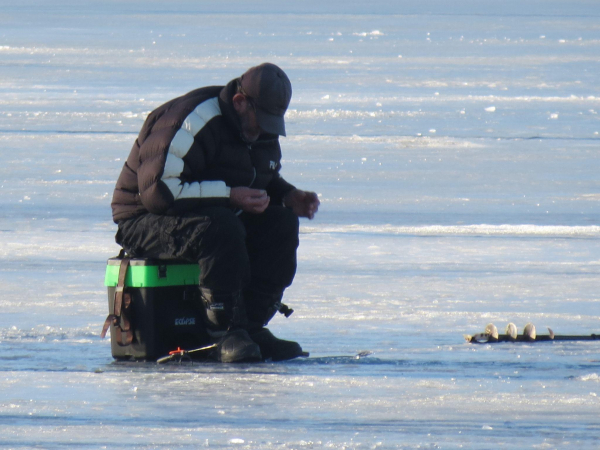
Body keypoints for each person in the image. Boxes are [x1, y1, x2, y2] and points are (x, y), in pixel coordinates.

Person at [111, 63, 319, 363]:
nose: (263, 131)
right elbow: (159, 192)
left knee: (281, 225)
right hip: (142, 219)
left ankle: (250, 327)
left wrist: (287, 195)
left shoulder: (260, 129)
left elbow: (256, 175)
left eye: (271, 124)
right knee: (219, 227)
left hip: (207, 213)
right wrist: (230, 196)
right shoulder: (193, 120)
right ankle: (225, 332)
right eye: (260, 121)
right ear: (239, 102)